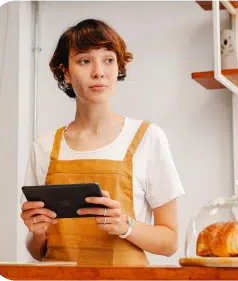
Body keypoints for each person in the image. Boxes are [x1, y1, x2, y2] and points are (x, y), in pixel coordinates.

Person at [20, 18, 185, 266]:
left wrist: (125, 225)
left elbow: (170, 242)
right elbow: (38, 251)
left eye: (108, 59)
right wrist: (37, 232)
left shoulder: (148, 138)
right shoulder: (44, 146)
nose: (99, 72)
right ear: (65, 70)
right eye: (84, 60)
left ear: (118, 67)